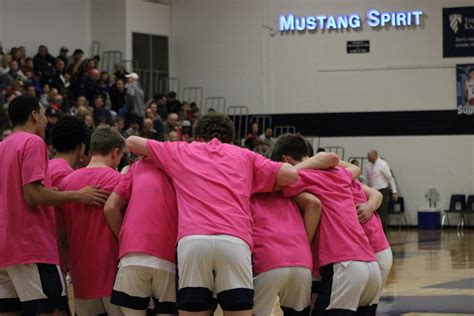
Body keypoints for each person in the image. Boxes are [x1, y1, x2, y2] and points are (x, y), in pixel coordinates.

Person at [125, 113, 301, 316]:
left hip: (193, 241)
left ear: (198, 136)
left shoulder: (182, 150)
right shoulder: (244, 155)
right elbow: (291, 175)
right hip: (235, 240)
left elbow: (132, 142)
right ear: (231, 138)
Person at [0, 95, 109, 315]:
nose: (45, 120)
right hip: (31, 246)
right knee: (54, 311)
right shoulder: (32, 141)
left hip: (5, 249)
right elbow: (32, 195)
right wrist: (78, 195)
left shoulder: (3, 146)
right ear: (34, 115)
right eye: (42, 113)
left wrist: (49, 193)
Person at [272, 134, 381, 316]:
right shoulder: (338, 173)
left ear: (285, 160)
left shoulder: (300, 177)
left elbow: (273, 184)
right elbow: (352, 168)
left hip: (344, 265)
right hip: (371, 265)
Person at [59, 126, 125, 316]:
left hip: (82, 274)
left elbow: (61, 233)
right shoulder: (119, 180)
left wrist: (70, 263)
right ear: (115, 152)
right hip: (114, 273)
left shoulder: (66, 184)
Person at [104, 157, 179, 316]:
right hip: (168, 256)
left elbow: (110, 208)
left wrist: (125, 240)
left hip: (133, 253)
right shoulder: (180, 166)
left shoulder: (137, 167)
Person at [251, 187, 324, 316]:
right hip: (302, 261)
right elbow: (314, 203)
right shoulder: (289, 191)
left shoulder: (247, 190)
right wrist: (304, 244)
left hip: (268, 259)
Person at [49, 115, 90, 274]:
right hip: (53, 255)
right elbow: (61, 225)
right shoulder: (65, 174)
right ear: (81, 147)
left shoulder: (47, 165)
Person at [351, 179, 392, 305]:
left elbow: (377, 194)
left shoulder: (342, 175)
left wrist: (370, 205)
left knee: (362, 306)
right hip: (362, 252)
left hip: (373, 249)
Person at [366, 149, 398, 230]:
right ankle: (375, 231)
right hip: (372, 191)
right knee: (373, 213)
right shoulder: (368, 165)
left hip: (382, 190)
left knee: (382, 213)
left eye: (369, 156)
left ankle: (384, 233)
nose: (368, 158)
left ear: (375, 155)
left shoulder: (383, 164)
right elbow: (368, 179)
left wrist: (394, 191)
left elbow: (390, 178)